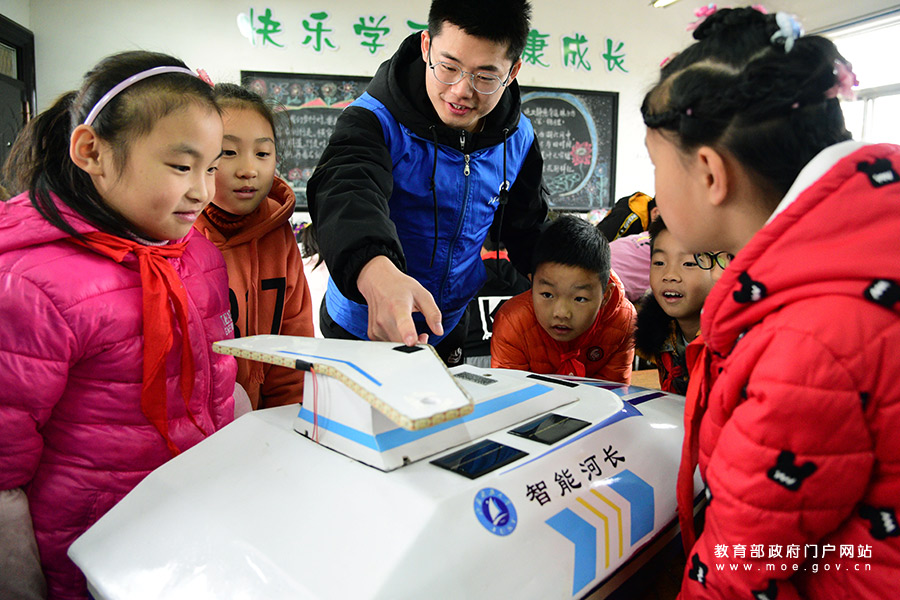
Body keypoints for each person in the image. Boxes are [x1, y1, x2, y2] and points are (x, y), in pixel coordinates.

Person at [642, 7, 900, 598]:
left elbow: (735, 572)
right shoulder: (864, 242)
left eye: (657, 166)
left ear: (710, 174)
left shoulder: (806, 340)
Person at [0, 51, 237, 599]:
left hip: (188, 532)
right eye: (181, 167)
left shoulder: (196, 255)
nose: (203, 191)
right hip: (89, 551)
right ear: (92, 151)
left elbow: (218, 387)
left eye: (210, 167)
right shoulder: (30, 284)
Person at [307, 0, 547, 366]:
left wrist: (569, 269)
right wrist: (375, 272)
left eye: (485, 77)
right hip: (362, 323)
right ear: (426, 46)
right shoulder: (373, 120)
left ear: (512, 71)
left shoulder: (519, 138)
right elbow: (346, 191)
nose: (461, 90)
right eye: (448, 67)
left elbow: (527, 226)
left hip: (446, 323)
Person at [194, 83, 314, 410]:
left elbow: (294, 344)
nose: (248, 170)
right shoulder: (177, 234)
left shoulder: (278, 233)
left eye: (262, 154)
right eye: (228, 152)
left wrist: (287, 420)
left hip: (262, 422)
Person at [491, 215, 636, 381]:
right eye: (547, 295)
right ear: (533, 285)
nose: (561, 313)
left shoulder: (622, 322)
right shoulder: (513, 323)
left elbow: (614, 391)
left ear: (605, 296)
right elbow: (509, 392)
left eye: (580, 299)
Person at [634, 217, 718, 394]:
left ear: (719, 269)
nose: (670, 275)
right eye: (659, 263)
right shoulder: (660, 332)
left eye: (688, 263)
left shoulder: (732, 344)